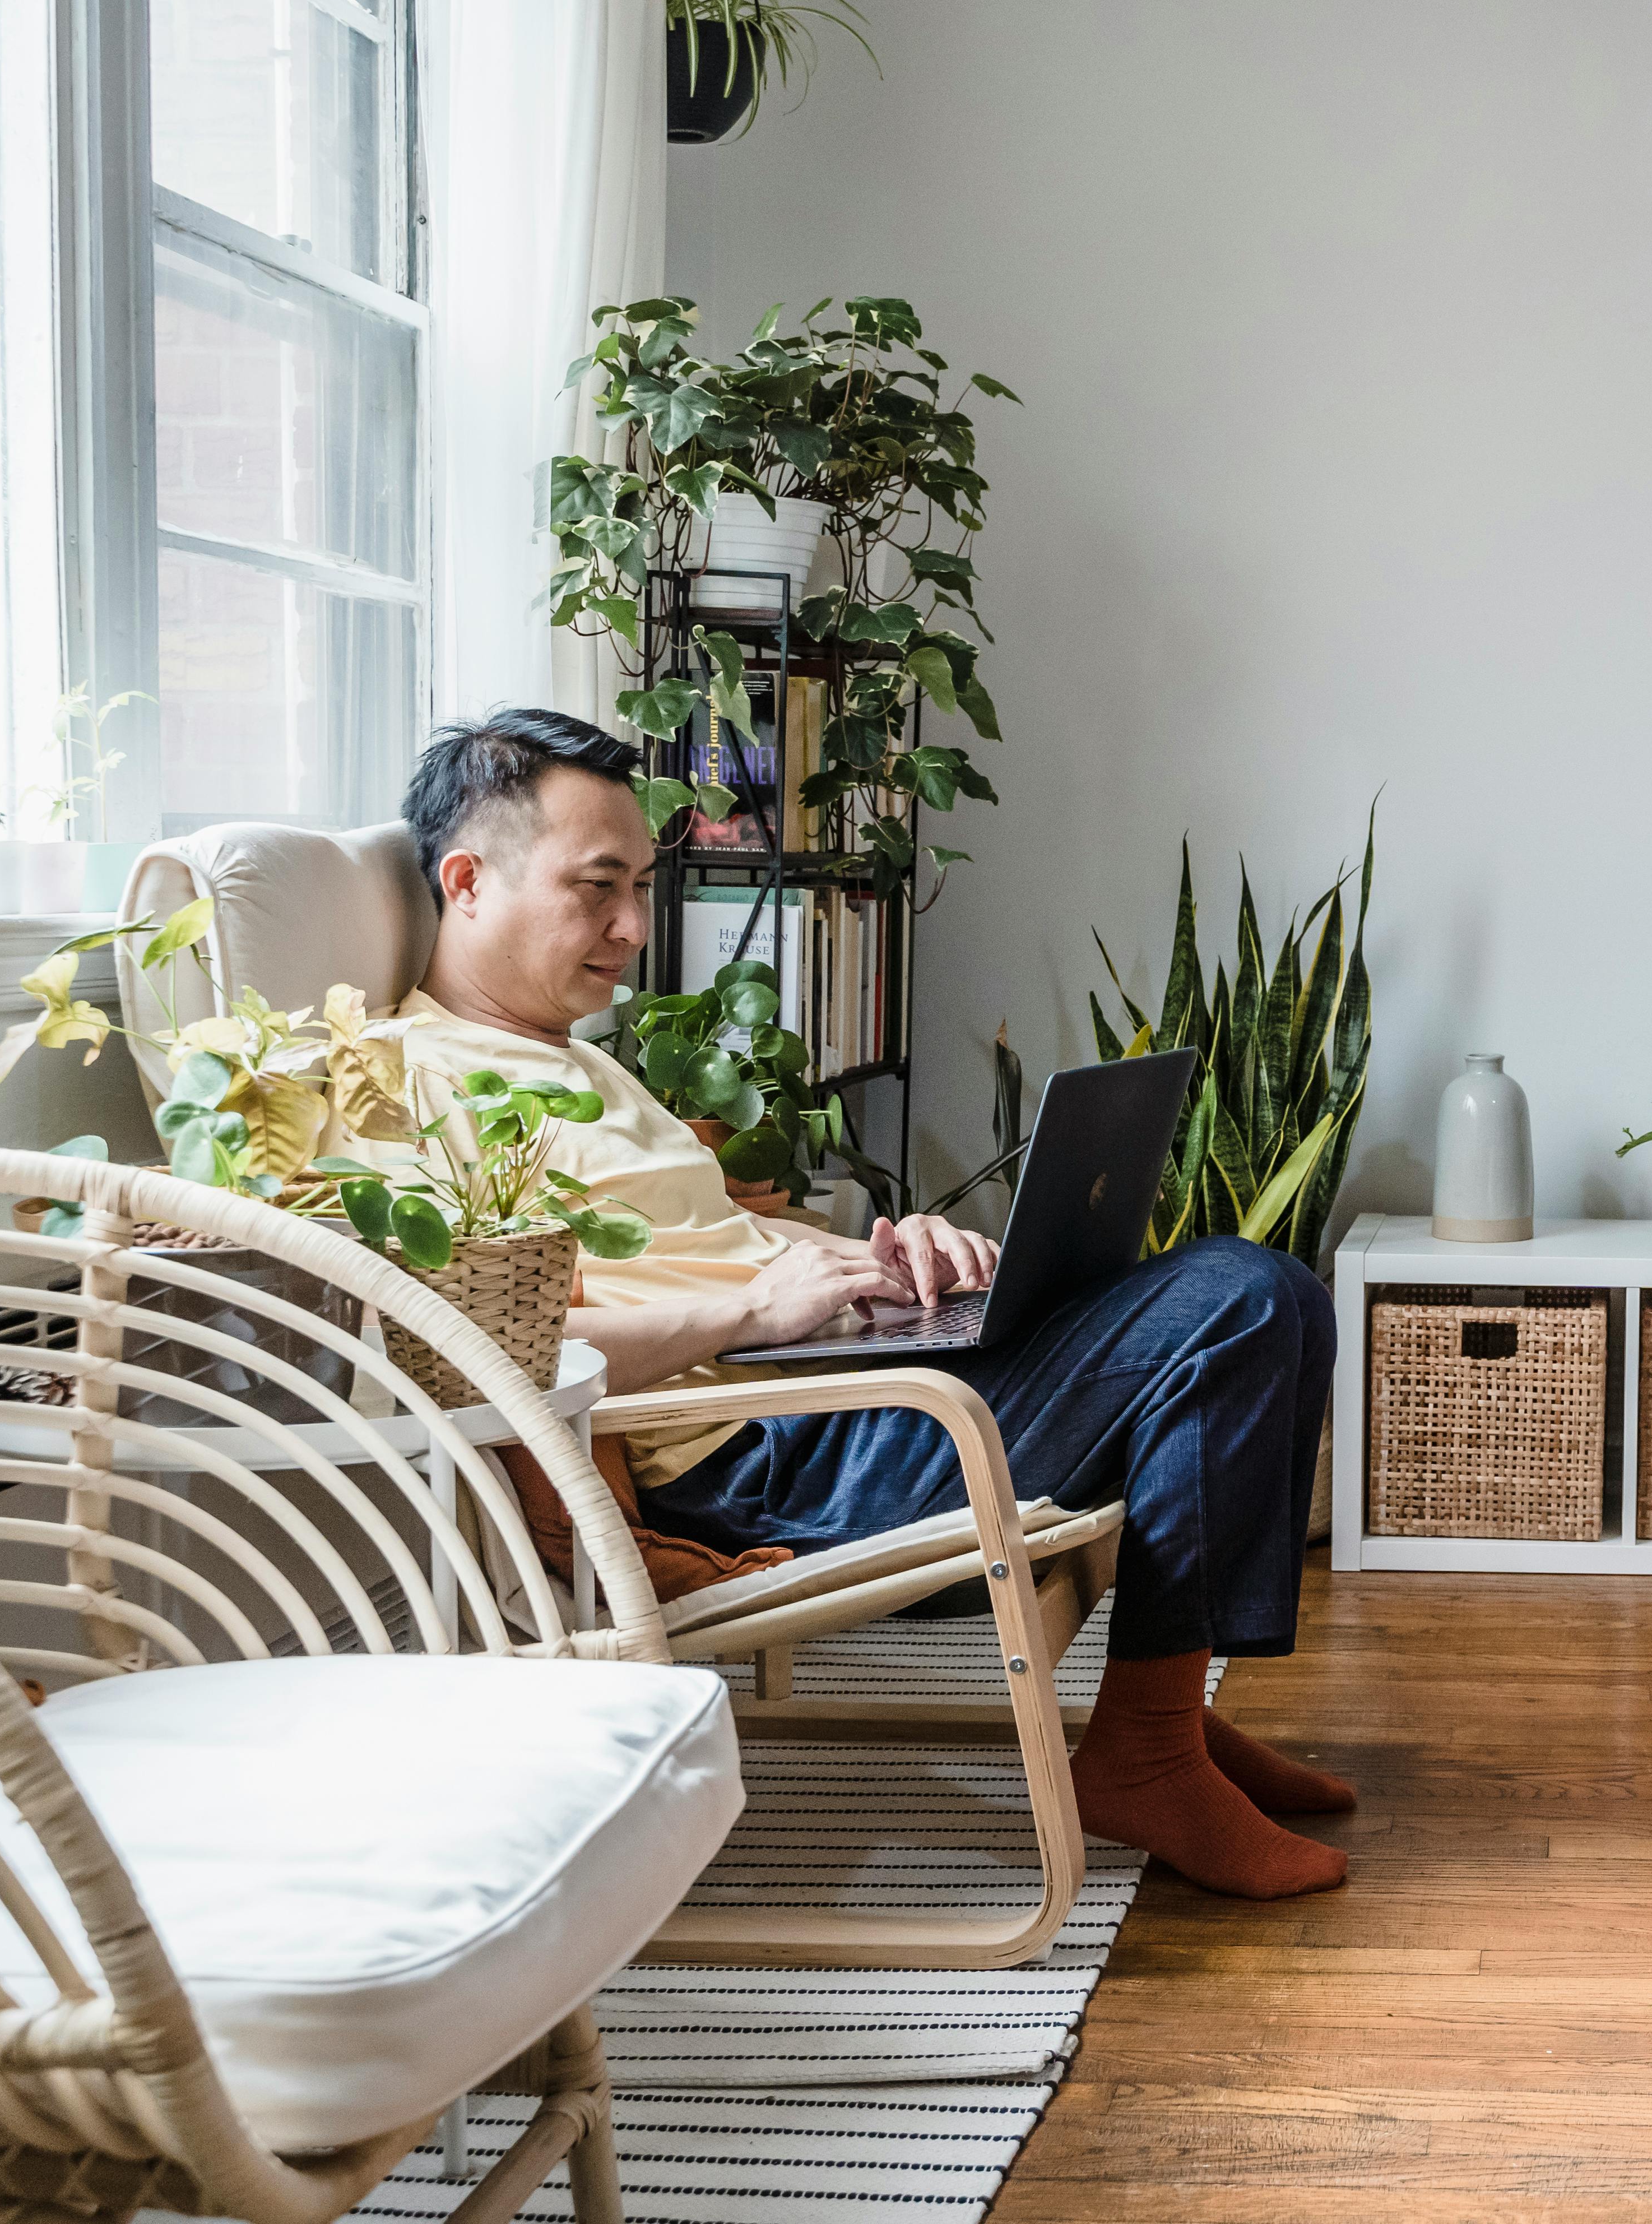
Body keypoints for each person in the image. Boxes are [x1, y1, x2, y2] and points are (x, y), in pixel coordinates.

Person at [390, 708, 1351, 1899]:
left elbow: (704, 1246)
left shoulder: (572, 1056)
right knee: (1245, 1298)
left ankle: (1166, 1712)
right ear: (467, 880)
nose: (634, 927)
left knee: (1261, 1294)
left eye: (642, 885)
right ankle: (1148, 1748)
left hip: (825, 1392)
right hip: (756, 1465)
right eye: (599, 888)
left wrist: (879, 1255)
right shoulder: (407, 1088)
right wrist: (750, 1315)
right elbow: (471, 1351)